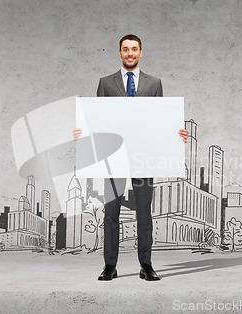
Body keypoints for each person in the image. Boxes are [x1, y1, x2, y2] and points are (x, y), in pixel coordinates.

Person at [74, 34, 189, 281]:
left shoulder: (154, 83)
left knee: (144, 213)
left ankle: (146, 265)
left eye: (134, 49)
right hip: (114, 157)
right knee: (111, 212)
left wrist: (175, 133)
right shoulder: (105, 83)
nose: (130, 53)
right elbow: (98, 120)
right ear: (119, 53)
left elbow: (159, 120)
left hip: (144, 154)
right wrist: (83, 132)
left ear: (140, 52)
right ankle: (110, 266)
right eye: (125, 49)